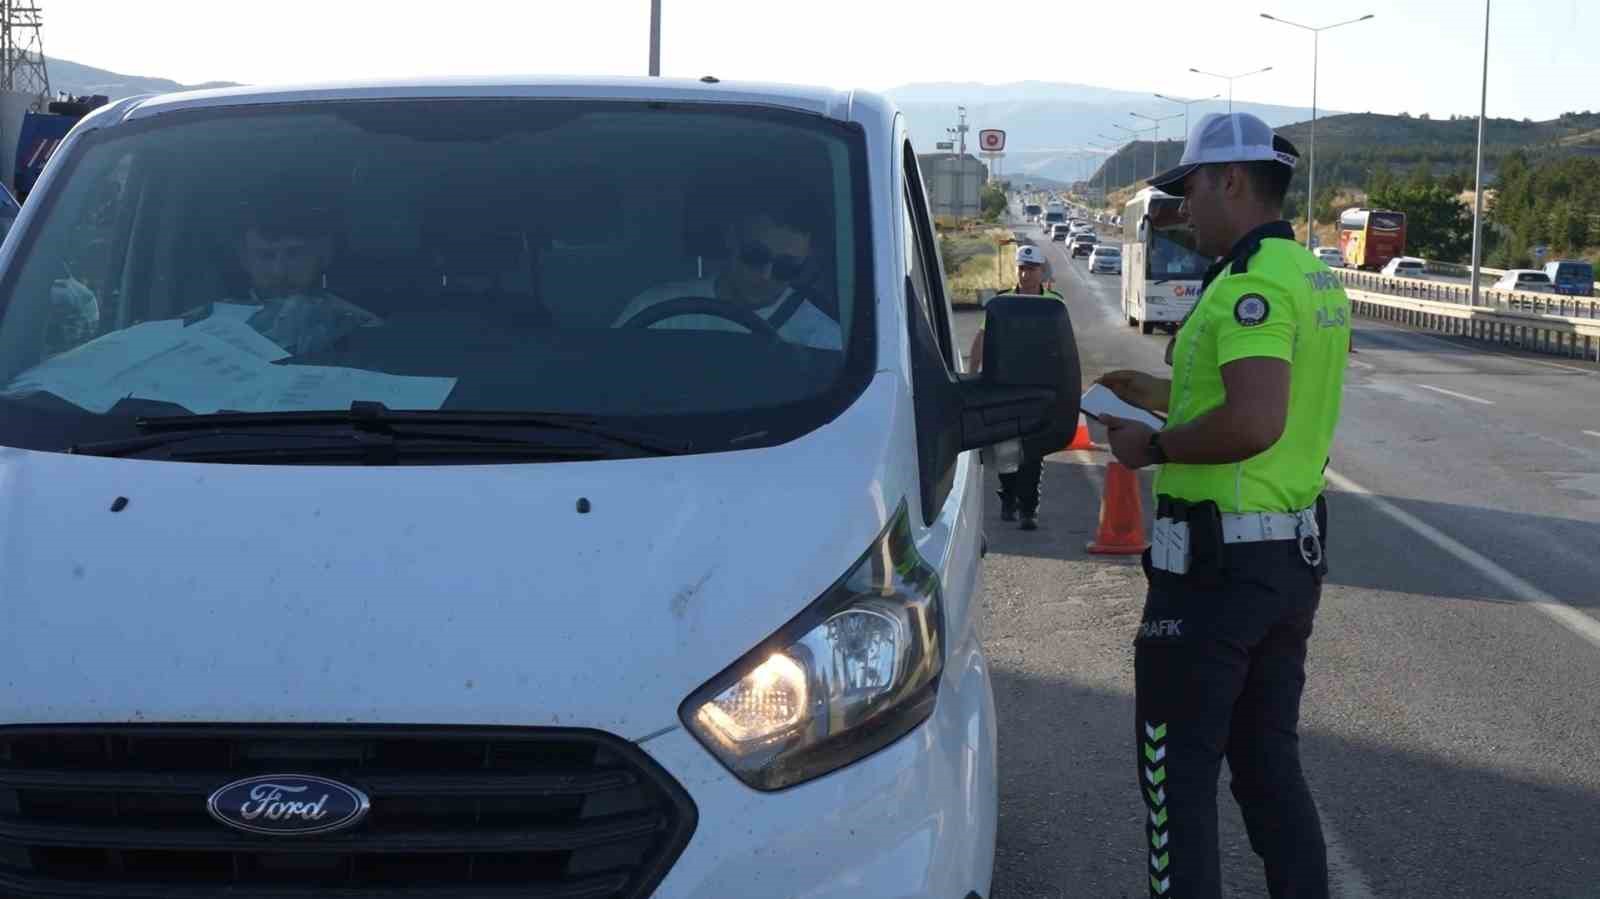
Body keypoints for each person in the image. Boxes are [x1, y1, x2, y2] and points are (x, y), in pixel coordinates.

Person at [1094, 112, 1349, 899]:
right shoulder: (1310, 275)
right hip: (1282, 561)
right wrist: (1150, 393)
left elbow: (1251, 420)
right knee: (1269, 770)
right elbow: (1243, 395)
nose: (1185, 208)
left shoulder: (1252, 287)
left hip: (1216, 574)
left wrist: (1152, 447)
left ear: (1231, 180)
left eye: (1192, 188)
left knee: (1176, 779)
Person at [611, 197, 841, 351]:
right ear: (731, 239)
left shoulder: (823, 339)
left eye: (786, 267)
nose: (765, 276)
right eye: (755, 257)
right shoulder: (653, 308)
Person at [192, 207, 381, 356]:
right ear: (244, 258)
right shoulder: (200, 325)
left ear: (323, 254)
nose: (279, 271)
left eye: (294, 254)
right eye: (266, 255)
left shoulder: (361, 326)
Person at [969, 244, 1063, 531]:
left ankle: (1028, 509)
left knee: (1033, 450)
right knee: (1006, 448)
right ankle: (1008, 496)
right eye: (1022, 268)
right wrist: (972, 375)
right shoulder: (1002, 302)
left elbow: (1063, 344)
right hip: (1006, 386)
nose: (1025, 274)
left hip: (1040, 388)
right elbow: (983, 337)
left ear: (1040, 272)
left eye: (1031, 269)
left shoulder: (1055, 303)